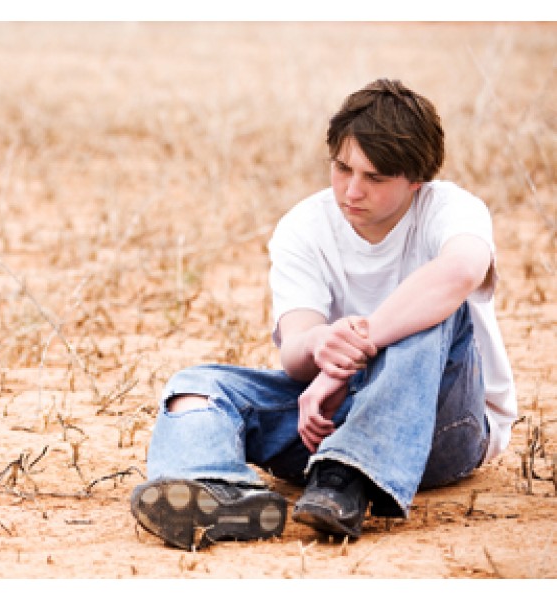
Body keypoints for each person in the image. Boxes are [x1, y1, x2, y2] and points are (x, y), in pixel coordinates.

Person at [129, 78, 517, 550]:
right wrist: (321, 347)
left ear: (416, 180)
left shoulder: (451, 208)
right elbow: (296, 351)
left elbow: (461, 271)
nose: (352, 190)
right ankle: (218, 489)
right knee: (194, 387)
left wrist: (355, 350)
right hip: (327, 423)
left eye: (375, 178)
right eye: (342, 168)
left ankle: (347, 473)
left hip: (444, 430)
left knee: (436, 310)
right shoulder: (304, 225)